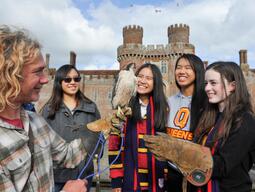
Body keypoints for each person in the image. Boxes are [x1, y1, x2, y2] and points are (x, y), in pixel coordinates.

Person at [0, 25, 88, 191]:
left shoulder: (36, 121)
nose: (46, 80)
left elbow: (68, 155)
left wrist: (101, 128)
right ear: (11, 74)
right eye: (38, 72)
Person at [144, 61, 255, 192]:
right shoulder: (208, 117)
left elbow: (222, 166)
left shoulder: (244, 120)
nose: (207, 88)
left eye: (213, 83)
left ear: (232, 86)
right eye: (206, 83)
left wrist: (177, 151)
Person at [108, 63, 169, 192]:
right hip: (131, 180)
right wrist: (116, 180)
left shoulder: (164, 111)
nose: (142, 81)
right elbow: (114, 146)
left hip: (157, 180)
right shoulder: (124, 110)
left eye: (148, 78)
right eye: (140, 76)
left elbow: (166, 150)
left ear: (155, 83)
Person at [41, 64, 102, 192]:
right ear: (59, 82)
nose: (73, 82)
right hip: (57, 175)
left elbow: (99, 138)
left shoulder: (91, 108)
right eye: (68, 79)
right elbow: (42, 144)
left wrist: (93, 158)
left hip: (83, 174)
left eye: (76, 79)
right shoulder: (48, 110)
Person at [166, 54, 206, 191]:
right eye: (178, 67)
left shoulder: (207, 103)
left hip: (198, 172)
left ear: (198, 71)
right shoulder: (169, 102)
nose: (182, 71)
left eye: (188, 68)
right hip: (171, 170)